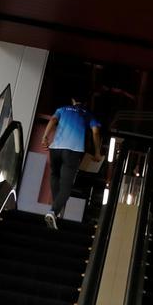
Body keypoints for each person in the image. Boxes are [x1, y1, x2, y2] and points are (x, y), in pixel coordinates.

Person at [44, 94, 100, 228]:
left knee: (55, 176)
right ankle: (53, 211)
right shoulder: (87, 114)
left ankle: (56, 208)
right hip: (73, 151)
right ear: (85, 103)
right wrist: (97, 152)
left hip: (55, 148)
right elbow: (96, 131)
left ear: (73, 100)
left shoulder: (62, 109)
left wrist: (45, 136)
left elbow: (52, 120)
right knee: (66, 186)